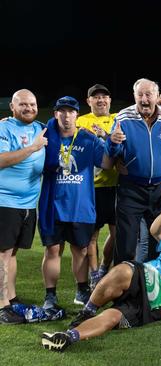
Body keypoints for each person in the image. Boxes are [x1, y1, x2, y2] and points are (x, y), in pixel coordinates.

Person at [40, 196, 161, 352]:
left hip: (160, 307)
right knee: (123, 269)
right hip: (151, 278)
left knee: (114, 316)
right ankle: (86, 312)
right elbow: (156, 230)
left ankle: (68, 337)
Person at [39, 96, 107, 309]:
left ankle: (81, 290)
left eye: (70, 111)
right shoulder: (45, 137)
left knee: (82, 250)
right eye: (62, 111)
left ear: (77, 115)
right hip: (53, 207)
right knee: (52, 251)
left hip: (81, 207)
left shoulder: (88, 139)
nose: (66, 115)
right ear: (55, 114)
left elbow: (106, 162)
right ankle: (50, 296)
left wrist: (111, 142)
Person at [105, 78, 161, 264]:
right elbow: (113, 153)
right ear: (134, 96)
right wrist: (113, 142)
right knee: (126, 244)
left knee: (158, 240)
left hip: (160, 189)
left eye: (148, 94)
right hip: (130, 188)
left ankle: (152, 289)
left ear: (157, 96)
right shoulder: (123, 117)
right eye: (140, 94)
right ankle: (122, 290)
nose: (144, 99)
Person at [0, 89, 47, 324]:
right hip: (5, 201)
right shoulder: (4, 128)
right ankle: (1, 307)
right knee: (2, 254)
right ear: (12, 107)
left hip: (29, 203)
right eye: (23, 105)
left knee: (13, 252)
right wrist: (33, 148)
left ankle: (11, 297)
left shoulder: (40, 127)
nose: (28, 108)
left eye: (32, 104)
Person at [75, 84, 118, 287]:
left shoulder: (119, 119)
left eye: (104, 97)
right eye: (96, 97)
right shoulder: (81, 121)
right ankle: (94, 275)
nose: (100, 100)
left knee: (118, 234)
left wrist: (105, 135)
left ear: (110, 100)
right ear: (88, 101)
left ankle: (104, 267)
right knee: (92, 235)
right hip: (92, 188)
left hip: (118, 185)